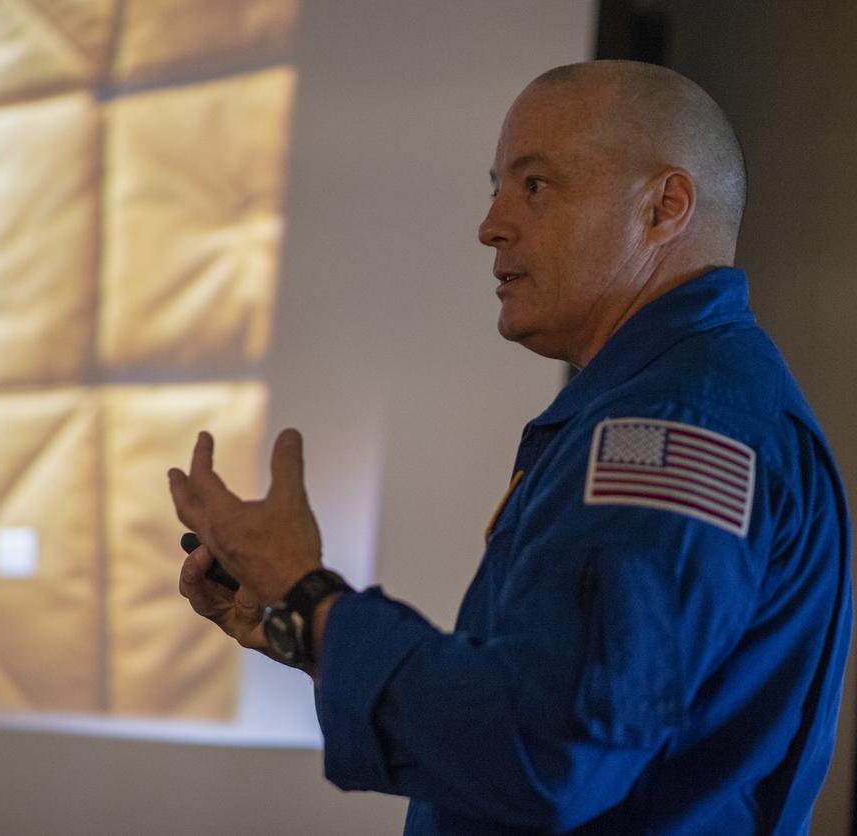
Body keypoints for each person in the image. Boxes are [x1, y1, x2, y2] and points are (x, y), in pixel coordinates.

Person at [168, 60, 851, 833]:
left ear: (665, 207)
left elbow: (552, 756)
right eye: (497, 185)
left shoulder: (673, 424)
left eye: (536, 186)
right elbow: (541, 721)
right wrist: (310, 631)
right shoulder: (660, 400)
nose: (491, 223)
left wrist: (311, 596)